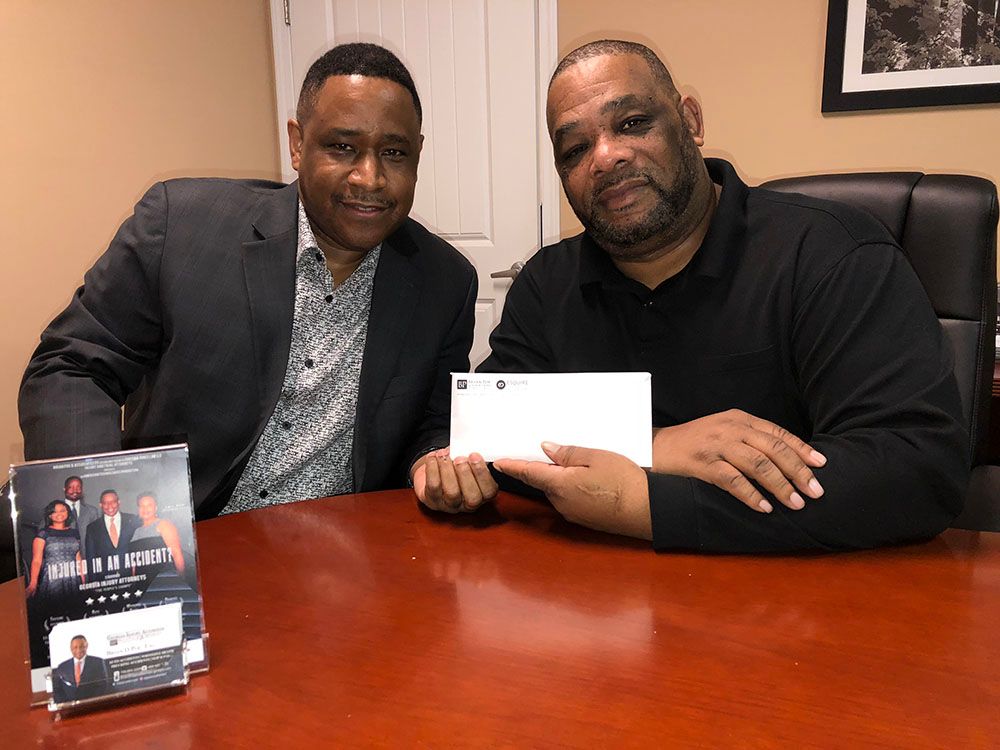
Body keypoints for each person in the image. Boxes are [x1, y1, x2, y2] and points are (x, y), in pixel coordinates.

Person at [429, 40, 969, 552]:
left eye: (633, 123)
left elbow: (916, 470)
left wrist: (646, 503)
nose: (606, 157)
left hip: (797, 612)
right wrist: (654, 445)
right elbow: (488, 435)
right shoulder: (546, 283)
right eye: (575, 149)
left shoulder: (832, 254)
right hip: (593, 609)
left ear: (691, 121)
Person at [18, 43, 476, 519]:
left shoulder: (446, 282)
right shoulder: (182, 227)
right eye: (342, 147)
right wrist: (97, 498)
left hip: (346, 560)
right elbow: (72, 365)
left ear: (418, 154)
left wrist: (431, 459)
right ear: (298, 144)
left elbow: (430, 424)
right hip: (182, 542)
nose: (370, 178)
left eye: (394, 153)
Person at [25, 500, 84, 599]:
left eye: (62, 510)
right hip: (52, 579)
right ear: (50, 516)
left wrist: (83, 581)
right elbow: (36, 561)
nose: (59, 514)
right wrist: (33, 583)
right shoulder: (43, 534)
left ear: (68, 513)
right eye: (54, 511)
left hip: (73, 578)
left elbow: (78, 558)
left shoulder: (74, 533)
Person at [84, 490, 141, 580]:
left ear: (119, 502)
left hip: (132, 577)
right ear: (100, 505)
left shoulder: (132, 520)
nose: (109, 506)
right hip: (104, 580)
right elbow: (91, 559)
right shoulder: (92, 528)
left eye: (113, 502)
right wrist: (93, 583)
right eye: (105, 503)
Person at [130, 493, 185, 575]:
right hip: (143, 581)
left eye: (149, 505)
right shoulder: (137, 531)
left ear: (156, 508)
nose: (145, 509)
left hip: (163, 580)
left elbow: (177, 554)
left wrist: (182, 579)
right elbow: (135, 561)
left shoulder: (163, 525)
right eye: (142, 506)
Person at [51, 634, 111, 703]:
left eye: (81, 647)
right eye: (75, 647)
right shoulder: (62, 667)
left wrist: (90, 702)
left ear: (86, 646)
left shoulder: (98, 662)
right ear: (71, 648)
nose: (78, 650)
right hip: (69, 706)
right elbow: (57, 690)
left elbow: (103, 685)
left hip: (92, 704)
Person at [59, 475, 100, 552]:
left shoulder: (92, 511)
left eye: (78, 487)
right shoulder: (55, 512)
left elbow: (98, 538)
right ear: (64, 489)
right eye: (71, 487)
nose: (75, 490)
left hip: (88, 559)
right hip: (64, 558)